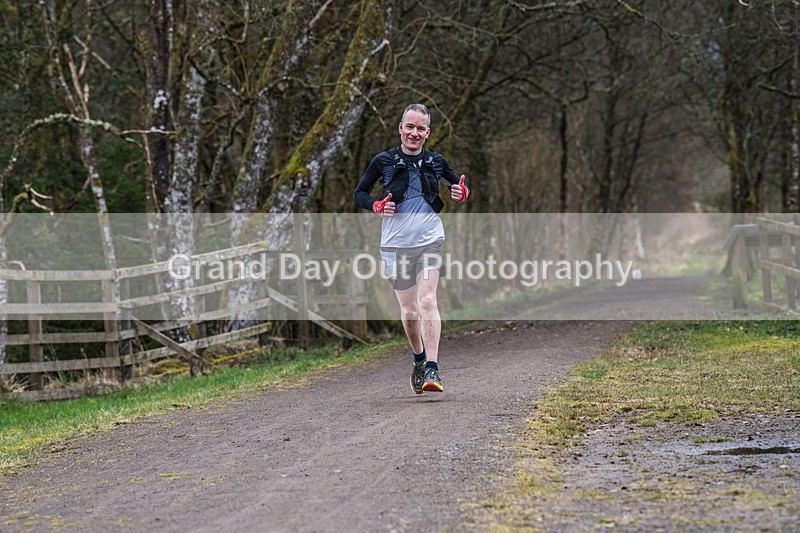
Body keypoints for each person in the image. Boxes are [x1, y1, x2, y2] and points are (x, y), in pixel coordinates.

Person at [353, 103, 470, 394]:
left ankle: (432, 368)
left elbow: (457, 187)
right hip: (395, 245)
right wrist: (376, 205)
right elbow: (360, 193)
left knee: (427, 299)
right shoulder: (383, 161)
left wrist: (461, 192)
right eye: (410, 127)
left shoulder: (436, 161)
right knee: (409, 311)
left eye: (420, 128)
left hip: (430, 239)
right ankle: (418, 358)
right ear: (400, 128)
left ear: (427, 133)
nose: (414, 133)